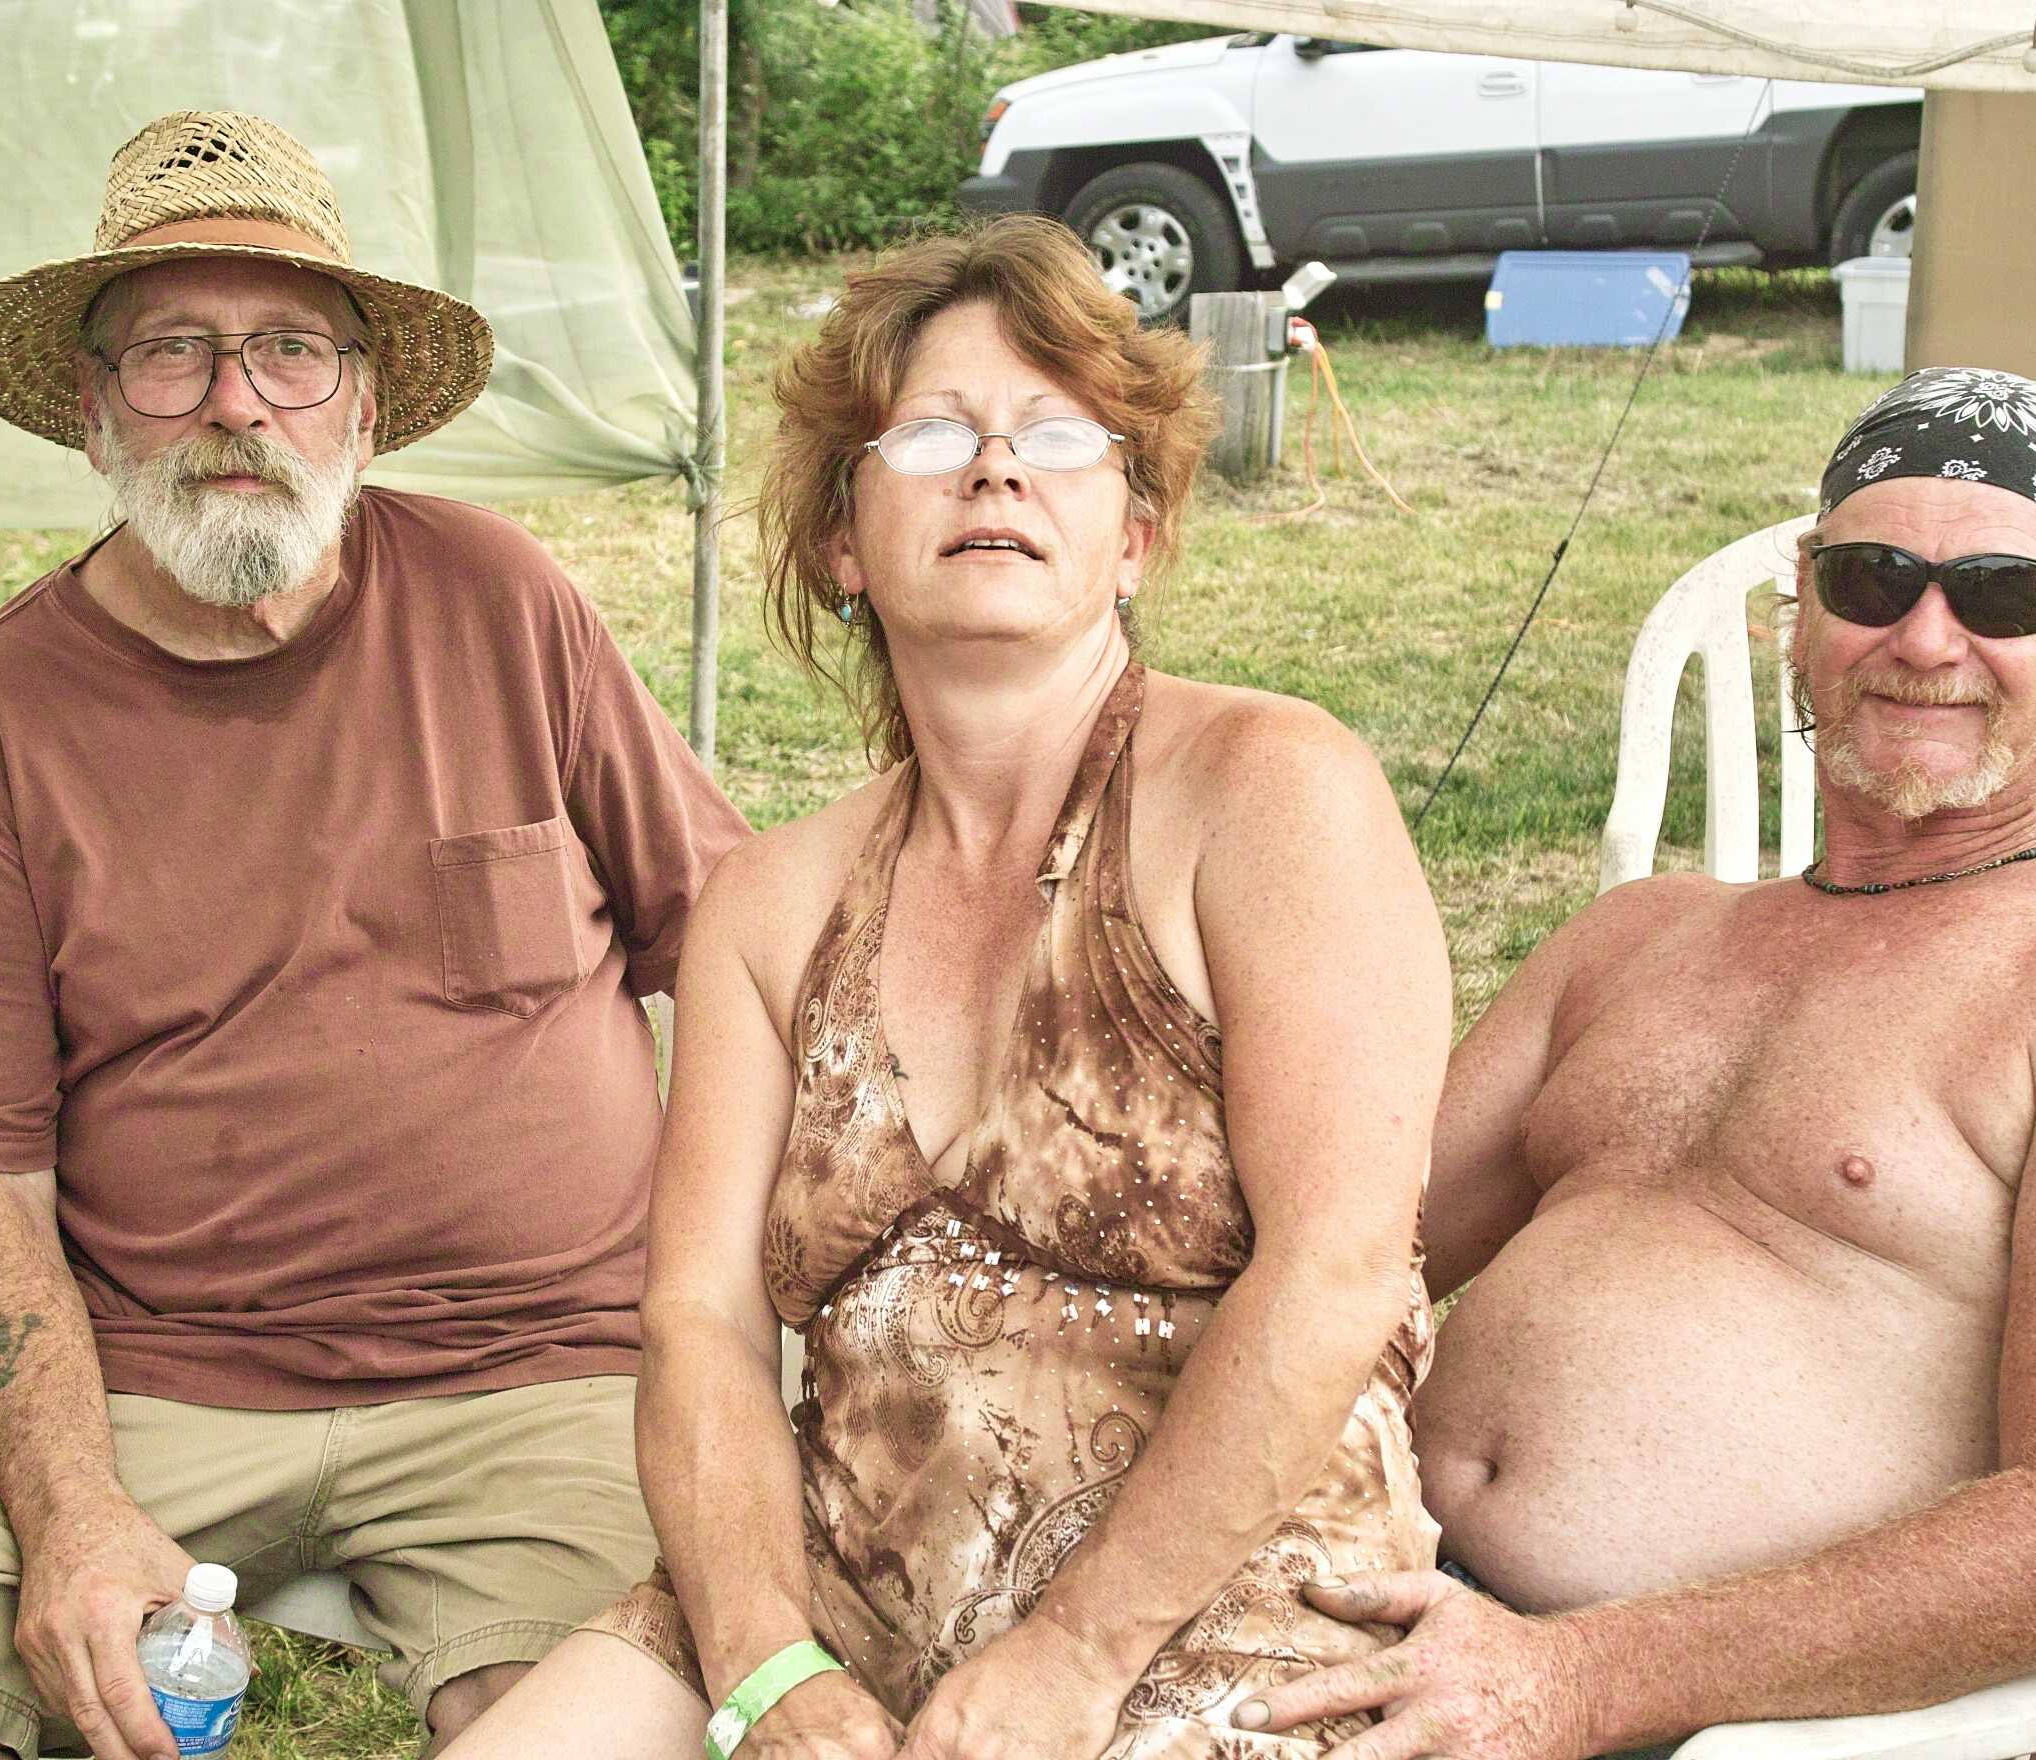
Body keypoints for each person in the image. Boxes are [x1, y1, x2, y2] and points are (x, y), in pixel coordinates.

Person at [0, 111, 747, 1760]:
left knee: (577, 1727)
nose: (234, 403)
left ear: (363, 403)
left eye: (289, 349)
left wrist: (743, 1296)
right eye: (171, 354)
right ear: (90, 411)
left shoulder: (503, 601)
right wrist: (68, 1505)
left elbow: (734, 944)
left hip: (544, 1367)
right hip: (146, 1376)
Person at [443, 215, 1455, 1760]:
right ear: (843, 543)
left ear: (1134, 535)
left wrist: (1078, 1650)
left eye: (1057, 434)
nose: (994, 469)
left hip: (1216, 1607)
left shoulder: (1266, 792)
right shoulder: (769, 906)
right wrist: (763, 1663)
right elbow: (700, 1322)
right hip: (840, 1598)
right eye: (930, 433)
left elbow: (1339, 1273)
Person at [1232, 367, 2036, 1759]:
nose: (1926, 638)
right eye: (1873, 580)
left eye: (2005, 597)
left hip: (1691, 1718)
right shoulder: (1639, 938)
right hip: (1358, 1602)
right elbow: (1333, 1242)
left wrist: (1577, 1679)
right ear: (1800, 609)